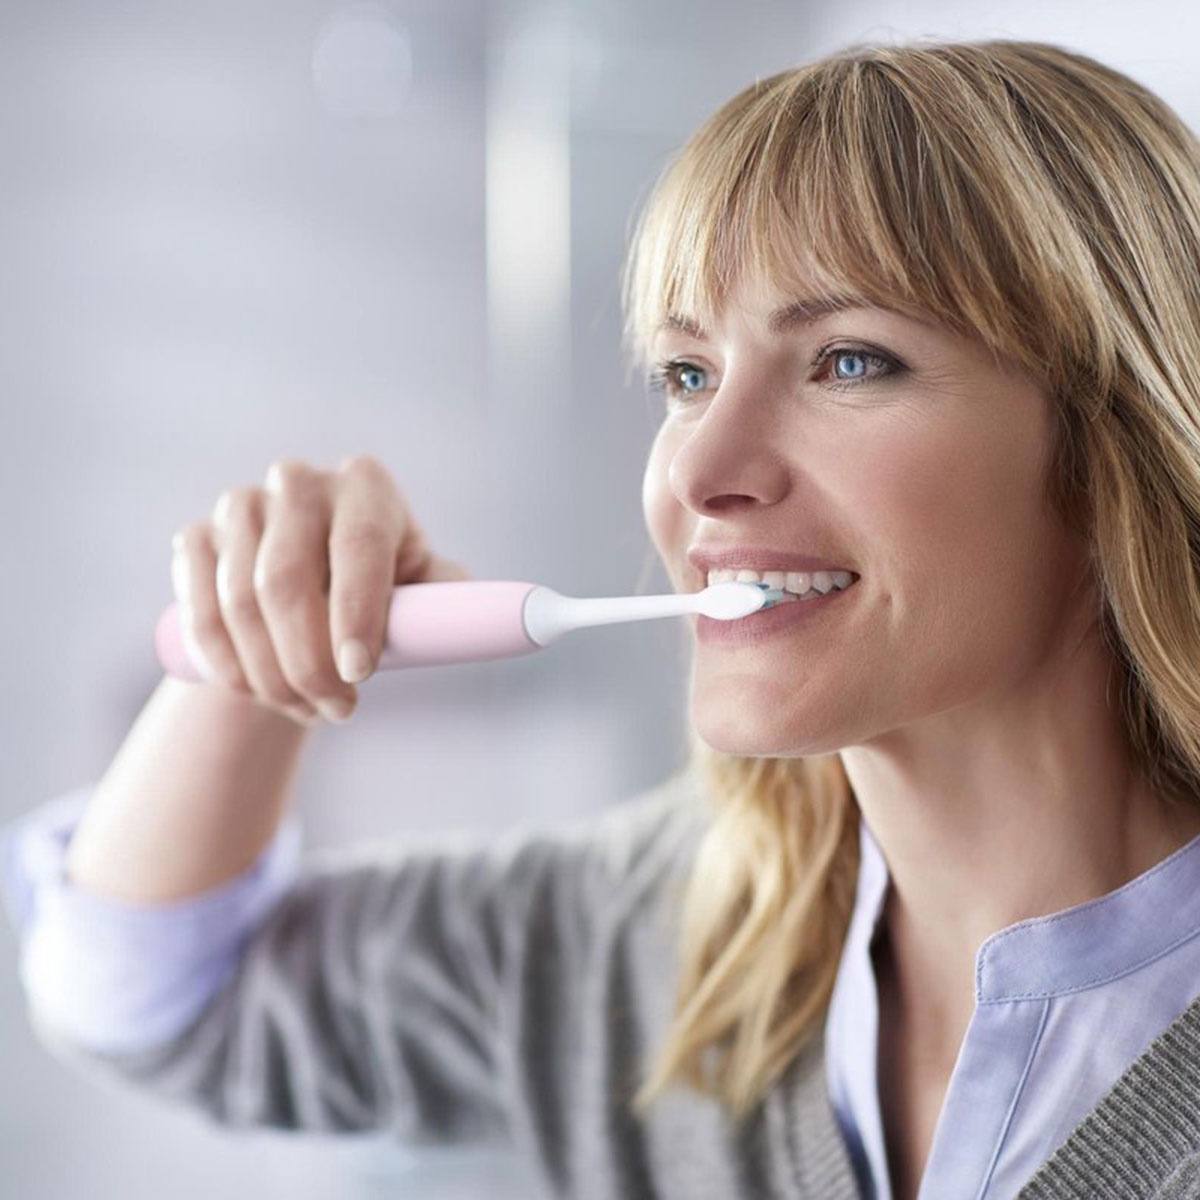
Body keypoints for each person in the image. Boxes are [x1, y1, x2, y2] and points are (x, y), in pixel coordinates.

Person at [6, 36, 1200, 1200]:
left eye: (847, 361)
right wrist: (257, 648)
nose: (699, 472)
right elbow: (147, 996)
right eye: (687, 375)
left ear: (1120, 442)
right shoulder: (650, 942)